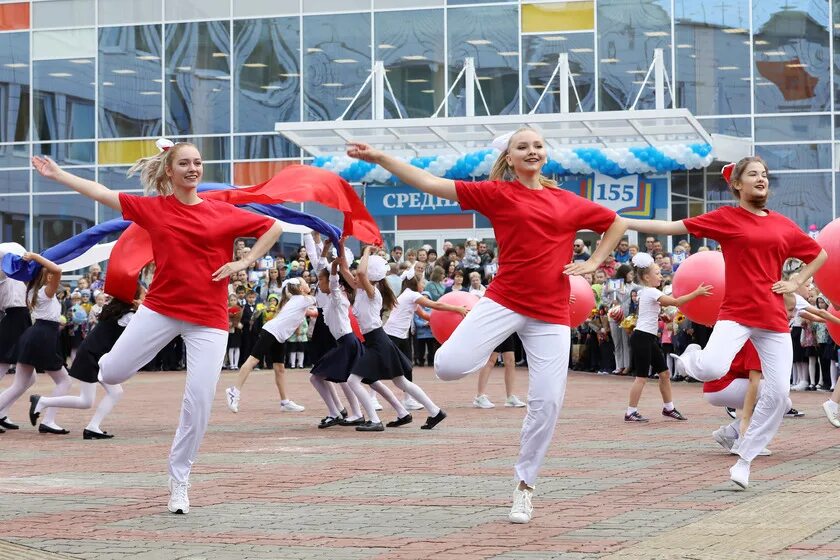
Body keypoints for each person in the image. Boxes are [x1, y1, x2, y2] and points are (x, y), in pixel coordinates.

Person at [347, 126, 626, 524]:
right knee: (447, 367)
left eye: (538, 145)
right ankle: (480, 363)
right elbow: (429, 181)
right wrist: (380, 159)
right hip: (504, 300)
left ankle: (524, 487)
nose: (532, 150)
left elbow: (616, 223)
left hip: (550, 313)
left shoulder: (568, 202)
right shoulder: (496, 194)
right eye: (522, 146)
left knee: (547, 403)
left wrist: (595, 262)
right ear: (509, 158)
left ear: (545, 154)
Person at [32, 140, 282, 514]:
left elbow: (274, 226)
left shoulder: (222, 213)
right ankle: (109, 367)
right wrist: (57, 174)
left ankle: (179, 478)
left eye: (198, 162)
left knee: (198, 402)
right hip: (161, 309)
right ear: (170, 170)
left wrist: (244, 263)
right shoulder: (154, 209)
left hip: (209, 320)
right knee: (112, 372)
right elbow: (101, 192)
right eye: (184, 163)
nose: (193, 168)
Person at [626, 157, 826, 489]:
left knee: (777, 395)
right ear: (737, 185)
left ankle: (744, 459)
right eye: (753, 174)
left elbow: (819, 254)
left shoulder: (783, 225)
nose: (761, 179)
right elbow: (674, 227)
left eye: (764, 174)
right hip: (736, 313)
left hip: (774, 319)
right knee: (711, 368)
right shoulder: (727, 218)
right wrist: (619, 220)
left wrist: (796, 281)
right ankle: (691, 356)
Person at [339, 245, 446, 431]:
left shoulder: (373, 292)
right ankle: (435, 411)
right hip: (376, 341)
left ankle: (374, 420)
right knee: (401, 381)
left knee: (353, 380)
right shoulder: (362, 291)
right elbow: (346, 271)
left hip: (378, 341)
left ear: (369, 277)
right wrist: (340, 247)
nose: (354, 277)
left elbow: (362, 275)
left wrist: (366, 252)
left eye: (358, 275)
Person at [29, 286, 144, 439]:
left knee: (115, 392)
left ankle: (92, 427)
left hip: (95, 356)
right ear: (134, 299)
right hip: (91, 356)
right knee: (86, 401)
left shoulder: (120, 311)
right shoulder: (128, 316)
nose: (146, 298)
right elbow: (145, 326)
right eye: (144, 295)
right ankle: (42, 401)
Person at [624, 252, 710, 422]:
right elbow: (677, 302)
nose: (660, 276)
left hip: (647, 337)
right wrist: (697, 292)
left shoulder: (648, 292)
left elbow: (646, 313)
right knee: (641, 377)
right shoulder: (650, 292)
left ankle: (668, 408)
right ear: (647, 277)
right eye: (656, 273)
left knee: (664, 373)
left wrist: (659, 317)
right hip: (642, 337)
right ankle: (630, 411)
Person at [0, 252, 72, 435]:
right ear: (46, 276)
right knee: (64, 380)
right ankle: (49, 420)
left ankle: (49, 420)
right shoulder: (45, 291)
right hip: (42, 336)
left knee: (19, 384)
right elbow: (57, 269)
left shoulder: (32, 289)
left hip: (33, 335)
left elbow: (53, 270)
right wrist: (34, 256)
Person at [225, 278, 313, 414]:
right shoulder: (302, 299)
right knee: (252, 361)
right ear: (300, 288)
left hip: (279, 336)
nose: (308, 284)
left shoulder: (298, 300)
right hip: (271, 332)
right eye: (305, 283)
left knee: (280, 369)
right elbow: (320, 299)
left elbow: (313, 310)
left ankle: (285, 402)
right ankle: (233, 391)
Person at [383, 274, 467, 409]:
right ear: (415, 284)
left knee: (407, 368)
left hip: (401, 337)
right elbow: (436, 305)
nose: (424, 284)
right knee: (381, 367)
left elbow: (424, 315)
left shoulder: (409, 296)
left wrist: (443, 321)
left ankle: (408, 400)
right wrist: (457, 309)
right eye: (422, 282)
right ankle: (371, 397)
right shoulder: (411, 295)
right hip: (393, 336)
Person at [0, 269, 31, 431]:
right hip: (12, 320)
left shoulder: (20, 275)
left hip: (23, 319)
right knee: (2, 368)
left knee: (29, 378)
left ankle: (2, 411)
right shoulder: (4, 273)